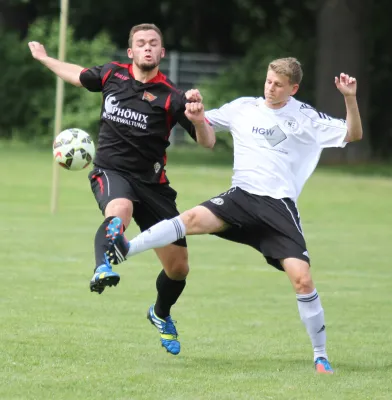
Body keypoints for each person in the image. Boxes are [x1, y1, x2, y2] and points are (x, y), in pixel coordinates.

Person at [105, 57, 363, 372]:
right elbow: (200, 123)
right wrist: (197, 116)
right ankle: (125, 248)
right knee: (190, 220)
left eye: (279, 85)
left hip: (278, 207)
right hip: (241, 196)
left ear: (293, 88)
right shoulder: (243, 108)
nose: (271, 88)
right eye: (269, 81)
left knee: (303, 279)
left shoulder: (304, 116)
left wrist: (349, 99)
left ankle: (320, 355)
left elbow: (352, 134)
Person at [28, 23, 215, 356]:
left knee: (178, 268)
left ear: (161, 53)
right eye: (140, 43)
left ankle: (160, 313)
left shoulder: (173, 97)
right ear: (130, 52)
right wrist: (44, 58)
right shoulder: (112, 75)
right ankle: (103, 266)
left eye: (153, 43)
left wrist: (199, 121)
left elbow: (209, 142)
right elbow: (77, 74)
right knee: (120, 210)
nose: (146, 48)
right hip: (111, 171)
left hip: (154, 186)